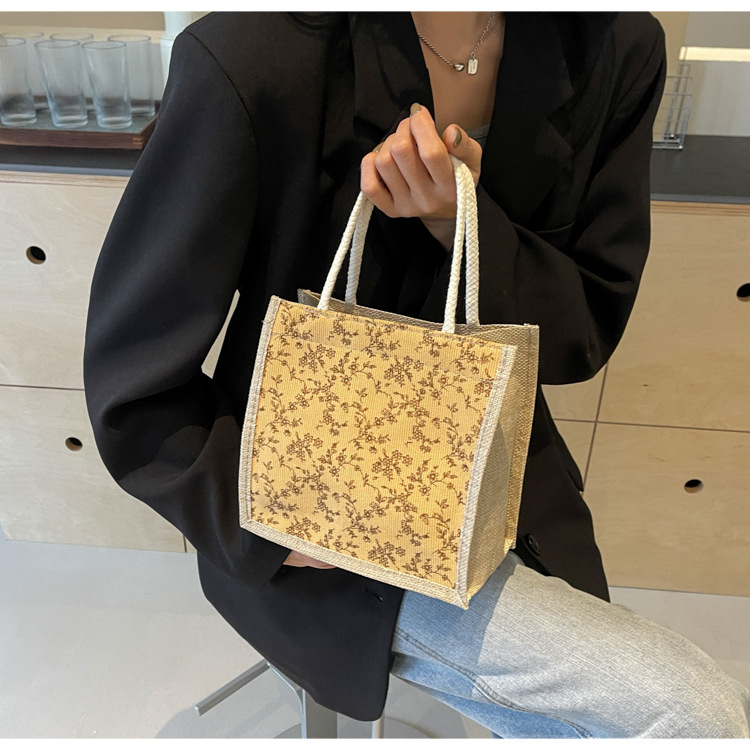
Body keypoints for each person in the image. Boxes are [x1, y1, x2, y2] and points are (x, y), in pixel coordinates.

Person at [83, 11, 750, 737]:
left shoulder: (613, 46)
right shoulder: (255, 54)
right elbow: (135, 380)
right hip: (310, 505)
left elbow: (582, 330)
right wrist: (269, 526)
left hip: (502, 482)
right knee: (691, 712)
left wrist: (462, 220)